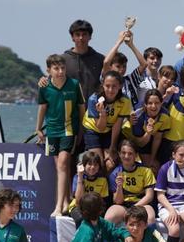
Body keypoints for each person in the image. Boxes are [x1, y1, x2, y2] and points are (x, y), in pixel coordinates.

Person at [36, 55, 85, 215]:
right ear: (49, 70)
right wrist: (38, 129)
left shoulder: (74, 84)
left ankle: (58, 207)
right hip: (52, 130)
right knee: (60, 167)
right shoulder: (44, 86)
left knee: (63, 163)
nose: (60, 71)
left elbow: (81, 108)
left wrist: (81, 129)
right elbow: (42, 108)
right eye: (56, 68)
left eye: (62, 68)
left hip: (69, 130)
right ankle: (65, 202)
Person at [82, 71, 132, 171]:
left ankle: (111, 185)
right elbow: (100, 127)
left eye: (114, 86)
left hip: (110, 130)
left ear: (120, 86)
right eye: (107, 86)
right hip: (93, 130)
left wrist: (112, 147)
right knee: (98, 163)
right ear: (103, 85)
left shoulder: (124, 101)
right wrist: (103, 113)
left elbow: (117, 125)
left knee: (110, 164)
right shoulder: (94, 99)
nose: (110, 90)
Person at [105, 141, 156, 225]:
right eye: (123, 153)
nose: (126, 156)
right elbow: (118, 201)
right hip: (123, 206)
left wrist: (134, 208)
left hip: (142, 204)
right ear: (119, 154)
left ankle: (148, 238)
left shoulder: (146, 171)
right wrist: (119, 186)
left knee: (150, 217)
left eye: (130, 153)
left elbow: (149, 196)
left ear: (136, 155)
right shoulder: (115, 173)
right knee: (109, 217)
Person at [121, 89, 170, 170]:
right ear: (145, 105)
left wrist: (152, 158)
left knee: (155, 166)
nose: (154, 106)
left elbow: (157, 138)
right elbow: (140, 144)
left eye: (157, 103)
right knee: (146, 166)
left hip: (148, 139)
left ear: (161, 103)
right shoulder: (137, 116)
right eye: (150, 103)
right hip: (130, 138)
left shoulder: (165, 116)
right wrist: (148, 133)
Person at [101, 29, 148, 109]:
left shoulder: (130, 80)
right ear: (111, 66)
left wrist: (131, 45)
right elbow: (106, 62)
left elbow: (144, 64)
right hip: (111, 119)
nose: (122, 70)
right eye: (118, 66)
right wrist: (119, 41)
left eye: (124, 66)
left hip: (131, 119)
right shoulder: (106, 78)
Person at [62, 19, 105, 100]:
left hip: (93, 109)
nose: (81, 38)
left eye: (84, 34)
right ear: (72, 37)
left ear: (90, 36)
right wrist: (43, 80)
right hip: (70, 108)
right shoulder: (63, 59)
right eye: (77, 34)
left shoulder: (100, 59)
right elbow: (53, 82)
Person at [67, 151, 108, 227]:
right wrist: (80, 177)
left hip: (95, 208)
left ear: (99, 167)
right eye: (89, 164)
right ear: (83, 165)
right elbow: (78, 199)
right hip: (78, 206)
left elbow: (103, 200)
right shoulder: (77, 177)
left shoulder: (103, 180)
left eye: (95, 165)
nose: (92, 167)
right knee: (81, 219)